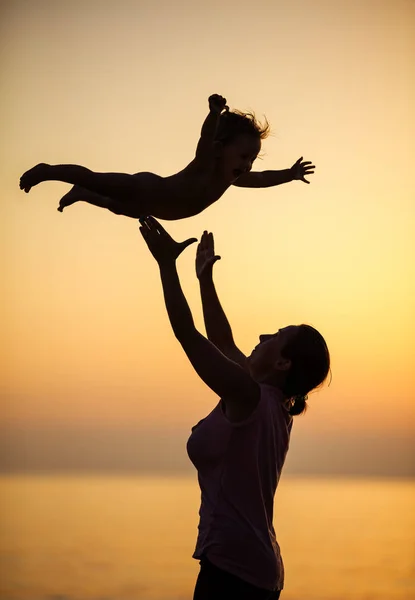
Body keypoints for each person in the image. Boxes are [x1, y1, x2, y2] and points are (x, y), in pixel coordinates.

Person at [139, 216, 331, 599]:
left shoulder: (250, 397)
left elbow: (187, 335)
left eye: (275, 336)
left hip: (234, 571)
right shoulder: (269, 402)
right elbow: (223, 342)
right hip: (253, 568)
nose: (262, 335)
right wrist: (205, 281)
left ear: (283, 363)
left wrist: (165, 265)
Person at [19, 94, 315, 221]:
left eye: (252, 158)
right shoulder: (207, 163)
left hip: (153, 207)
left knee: (117, 208)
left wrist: (289, 174)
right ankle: (48, 170)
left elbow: (262, 179)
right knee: (98, 181)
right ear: (220, 148)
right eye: (243, 155)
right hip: (148, 188)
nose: (247, 164)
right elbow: (205, 138)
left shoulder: (232, 178)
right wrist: (213, 114)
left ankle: (82, 195)